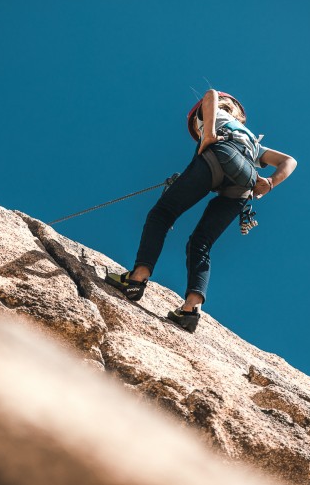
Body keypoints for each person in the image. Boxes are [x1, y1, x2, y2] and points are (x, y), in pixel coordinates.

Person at [104, 89, 297, 333]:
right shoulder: (252, 142)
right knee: (201, 244)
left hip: (219, 155)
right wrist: (270, 182)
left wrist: (208, 135)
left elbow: (210, 94)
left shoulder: (214, 115)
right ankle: (191, 310)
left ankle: (137, 278)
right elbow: (290, 160)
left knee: (162, 214)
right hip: (246, 178)